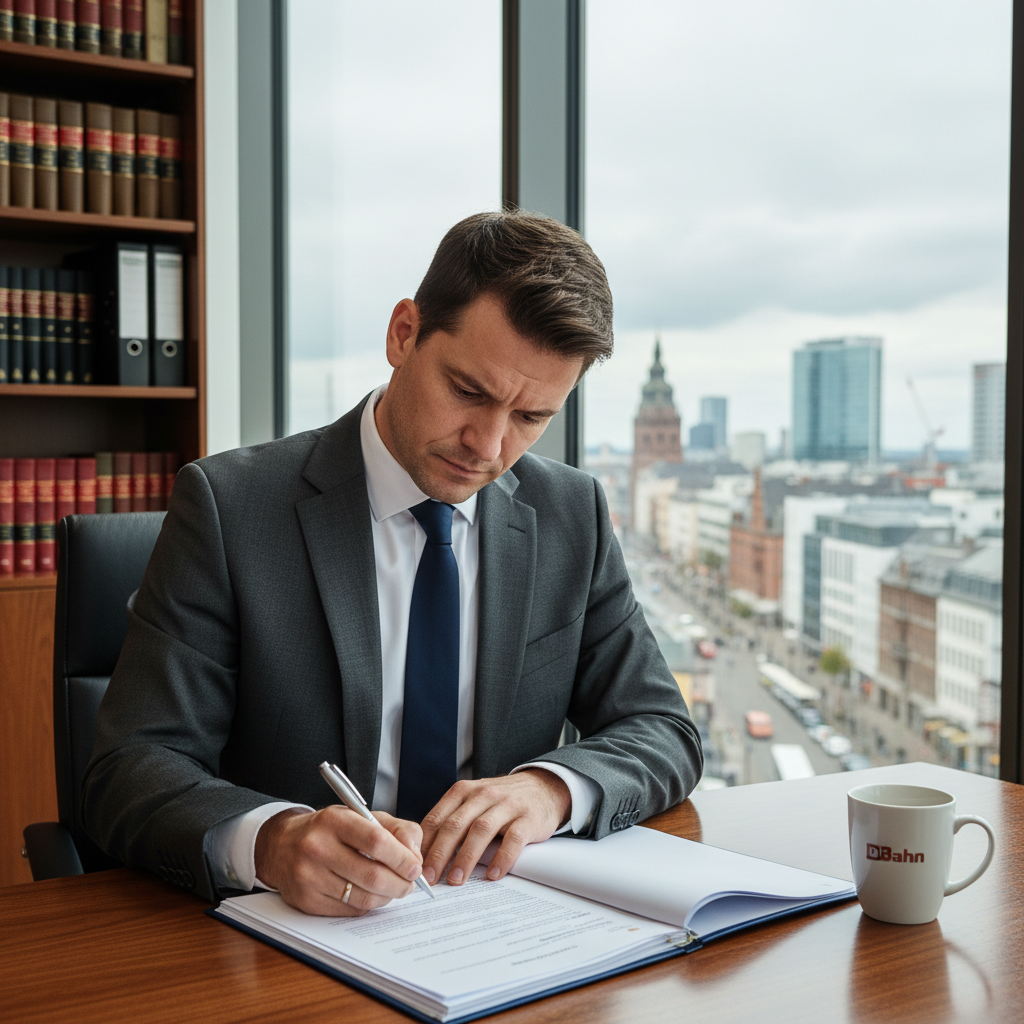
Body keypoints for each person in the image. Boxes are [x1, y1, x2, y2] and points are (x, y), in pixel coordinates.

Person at [82, 210, 703, 915]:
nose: (489, 446)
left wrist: (549, 788)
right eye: (469, 391)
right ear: (403, 334)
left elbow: (663, 729)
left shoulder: (572, 513)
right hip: (291, 940)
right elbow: (127, 770)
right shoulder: (231, 508)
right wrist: (273, 841)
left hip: (501, 927)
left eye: (531, 417)